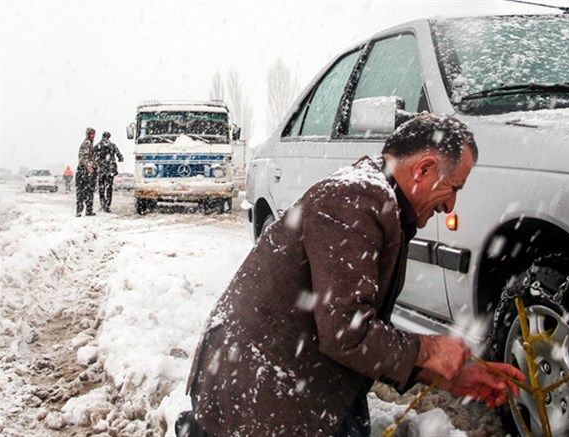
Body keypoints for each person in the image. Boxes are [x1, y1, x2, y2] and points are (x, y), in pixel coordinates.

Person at [179, 114, 524, 436]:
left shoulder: (377, 201)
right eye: (455, 188)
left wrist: (447, 374)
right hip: (261, 394)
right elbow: (346, 332)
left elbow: (351, 332)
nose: (451, 207)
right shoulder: (355, 202)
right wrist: (429, 350)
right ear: (424, 169)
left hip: (294, 382)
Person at [94, 131, 124, 212]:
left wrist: (97, 162)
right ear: (109, 137)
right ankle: (107, 204)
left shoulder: (98, 145)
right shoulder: (112, 145)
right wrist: (120, 158)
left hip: (101, 169)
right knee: (109, 187)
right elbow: (119, 155)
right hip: (110, 169)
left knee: (101, 187)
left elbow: (93, 155)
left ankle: (102, 203)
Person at [76, 127, 97, 217]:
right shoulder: (87, 143)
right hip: (84, 171)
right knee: (84, 191)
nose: (93, 136)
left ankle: (87, 210)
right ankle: (80, 210)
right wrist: (89, 166)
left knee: (88, 191)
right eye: (91, 134)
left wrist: (95, 165)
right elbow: (83, 158)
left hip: (87, 170)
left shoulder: (90, 144)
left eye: (93, 134)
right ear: (88, 134)